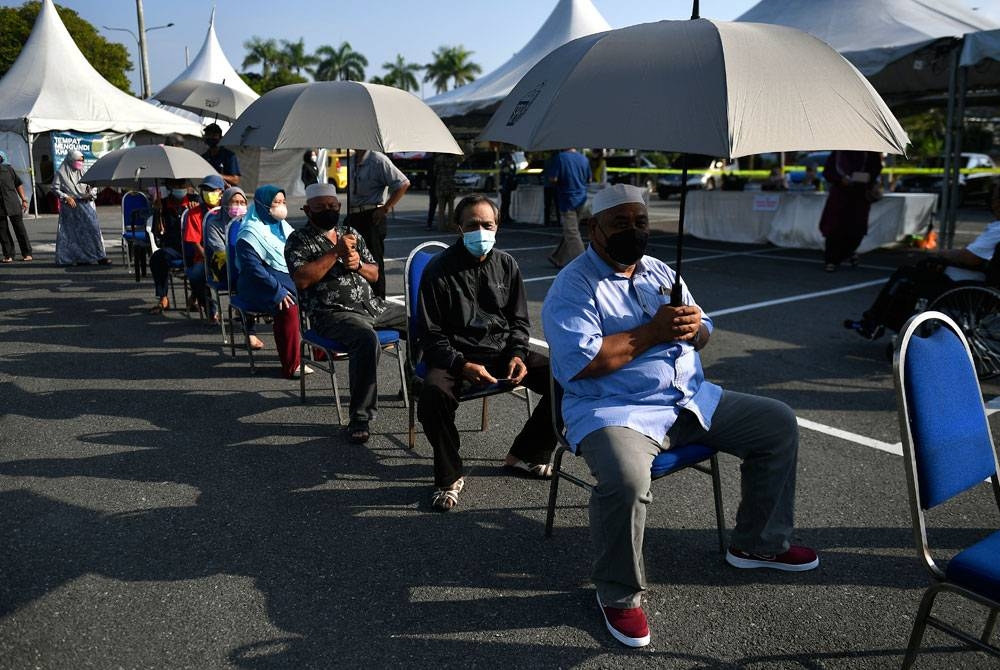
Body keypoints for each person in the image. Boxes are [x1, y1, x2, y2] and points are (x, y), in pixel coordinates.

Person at [542, 184, 818, 649]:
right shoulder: (572, 286)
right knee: (627, 481)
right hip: (615, 409)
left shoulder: (660, 271)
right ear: (594, 229)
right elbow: (581, 363)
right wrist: (652, 331)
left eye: (641, 223)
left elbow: (704, 327)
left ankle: (758, 542)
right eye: (621, 224)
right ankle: (618, 594)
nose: (634, 232)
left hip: (688, 400)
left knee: (777, 422)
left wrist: (697, 329)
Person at [416, 194, 556, 512]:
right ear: (459, 227)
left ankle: (527, 453)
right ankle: (449, 477)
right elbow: (431, 334)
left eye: (487, 225)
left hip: (502, 352)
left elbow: (519, 321)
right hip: (454, 356)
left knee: (563, 378)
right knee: (433, 397)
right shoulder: (438, 270)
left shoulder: (507, 264)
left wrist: (518, 354)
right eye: (473, 225)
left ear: (497, 227)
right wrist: (462, 364)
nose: (481, 232)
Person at [285, 182, 408, 443]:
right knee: (366, 339)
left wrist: (358, 264)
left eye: (332, 206)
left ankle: (415, 381)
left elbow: (375, 274)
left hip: (371, 305)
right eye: (320, 207)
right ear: (308, 210)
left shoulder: (350, 232)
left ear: (340, 207)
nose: (328, 211)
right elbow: (303, 279)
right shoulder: (299, 240)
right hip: (332, 314)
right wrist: (335, 252)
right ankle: (360, 417)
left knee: (419, 320)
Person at [844, 179, 1000, 340]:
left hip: (971, 282)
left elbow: (970, 258)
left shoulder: (997, 229)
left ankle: (876, 322)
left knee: (907, 276)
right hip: (986, 280)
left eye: (994, 198)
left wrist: (944, 253)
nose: (991, 203)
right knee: (918, 272)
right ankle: (877, 321)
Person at [236, 185, 306, 379]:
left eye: (283, 202)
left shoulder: (282, 227)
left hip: (283, 279)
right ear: (263, 204)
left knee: (318, 294)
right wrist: (278, 291)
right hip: (256, 285)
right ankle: (292, 364)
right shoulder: (249, 232)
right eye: (276, 202)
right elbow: (252, 269)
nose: (281, 206)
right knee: (288, 306)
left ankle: (319, 351)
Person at [344, 150, 410, 298]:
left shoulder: (378, 160)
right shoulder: (352, 159)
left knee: (373, 260)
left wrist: (386, 208)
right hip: (353, 215)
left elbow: (403, 183)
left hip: (371, 215)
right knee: (352, 258)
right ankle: (360, 298)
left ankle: (379, 300)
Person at [818, 150, 882, 272]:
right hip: (839, 197)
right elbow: (828, 172)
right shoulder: (838, 153)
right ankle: (831, 260)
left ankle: (848, 253)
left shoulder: (870, 153)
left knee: (856, 230)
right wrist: (840, 179)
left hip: (860, 197)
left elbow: (875, 170)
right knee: (834, 229)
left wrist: (864, 177)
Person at [53, 149, 111, 266]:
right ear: (70, 160)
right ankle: (81, 258)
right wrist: (66, 197)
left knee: (93, 230)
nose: (80, 162)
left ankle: (100, 256)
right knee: (74, 234)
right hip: (71, 207)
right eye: (77, 160)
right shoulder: (61, 173)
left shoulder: (84, 171)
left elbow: (94, 186)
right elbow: (55, 188)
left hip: (86, 204)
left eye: (81, 160)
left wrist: (90, 193)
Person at [148, 179, 195, 312]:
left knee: (201, 261)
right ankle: (163, 297)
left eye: (182, 185)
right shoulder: (162, 204)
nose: (180, 188)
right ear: (169, 187)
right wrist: (158, 213)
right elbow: (157, 232)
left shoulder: (194, 201)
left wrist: (196, 209)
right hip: (173, 248)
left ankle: (195, 297)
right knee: (157, 258)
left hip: (192, 246)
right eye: (176, 185)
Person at [183, 175, 225, 320]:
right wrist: (208, 260)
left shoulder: (229, 210)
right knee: (195, 274)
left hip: (228, 257)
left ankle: (248, 310)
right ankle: (210, 311)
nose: (208, 192)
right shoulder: (194, 213)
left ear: (222, 192)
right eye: (205, 189)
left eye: (212, 189)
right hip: (203, 258)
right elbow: (194, 242)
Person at [548, 148, 591, 268]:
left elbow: (553, 178)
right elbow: (589, 179)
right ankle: (558, 257)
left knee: (572, 232)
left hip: (567, 199)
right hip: (581, 198)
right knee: (571, 229)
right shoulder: (584, 158)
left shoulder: (560, 157)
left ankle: (584, 264)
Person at [0, 150, 32, 263]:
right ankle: (8, 254)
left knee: (20, 229)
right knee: (2, 231)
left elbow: (18, 184)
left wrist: (24, 199)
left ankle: (27, 253)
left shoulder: (8, 169)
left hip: (12, 203)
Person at [201, 123, 241, 188]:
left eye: (214, 135)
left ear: (220, 137)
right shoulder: (204, 157)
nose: (210, 137)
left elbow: (236, 180)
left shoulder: (229, 156)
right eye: (208, 134)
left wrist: (218, 176)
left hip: (224, 193)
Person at [432, 152, 458, 232]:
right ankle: (451, 224)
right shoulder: (454, 159)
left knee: (441, 208)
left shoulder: (438, 159)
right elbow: (454, 171)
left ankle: (441, 226)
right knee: (451, 208)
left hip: (441, 185)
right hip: (451, 184)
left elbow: (434, 172)